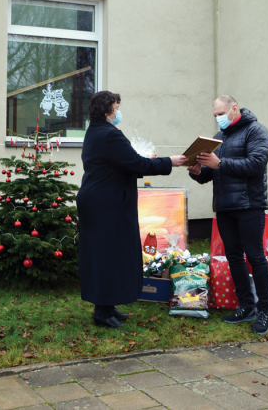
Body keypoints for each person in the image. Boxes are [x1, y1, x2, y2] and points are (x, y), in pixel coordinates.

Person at [77, 91, 188, 327]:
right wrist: (170, 161)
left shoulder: (96, 131)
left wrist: (145, 160)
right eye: (116, 107)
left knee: (109, 254)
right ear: (107, 110)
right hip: (106, 203)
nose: (118, 112)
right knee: (108, 255)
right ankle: (102, 312)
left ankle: (107, 305)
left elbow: (119, 164)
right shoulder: (108, 134)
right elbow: (135, 163)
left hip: (102, 200)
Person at [188, 95, 268, 335]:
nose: (218, 119)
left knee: (256, 257)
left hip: (250, 206)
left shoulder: (257, 131)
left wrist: (219, 164)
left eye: (221, 114)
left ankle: (264, 310)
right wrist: (196, 171)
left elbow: (256, 164)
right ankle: (246, 306)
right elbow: (208, 174)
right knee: (234, 257)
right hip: (224, 207)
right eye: (215, 116)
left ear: (234, 108)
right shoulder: (218, 138)